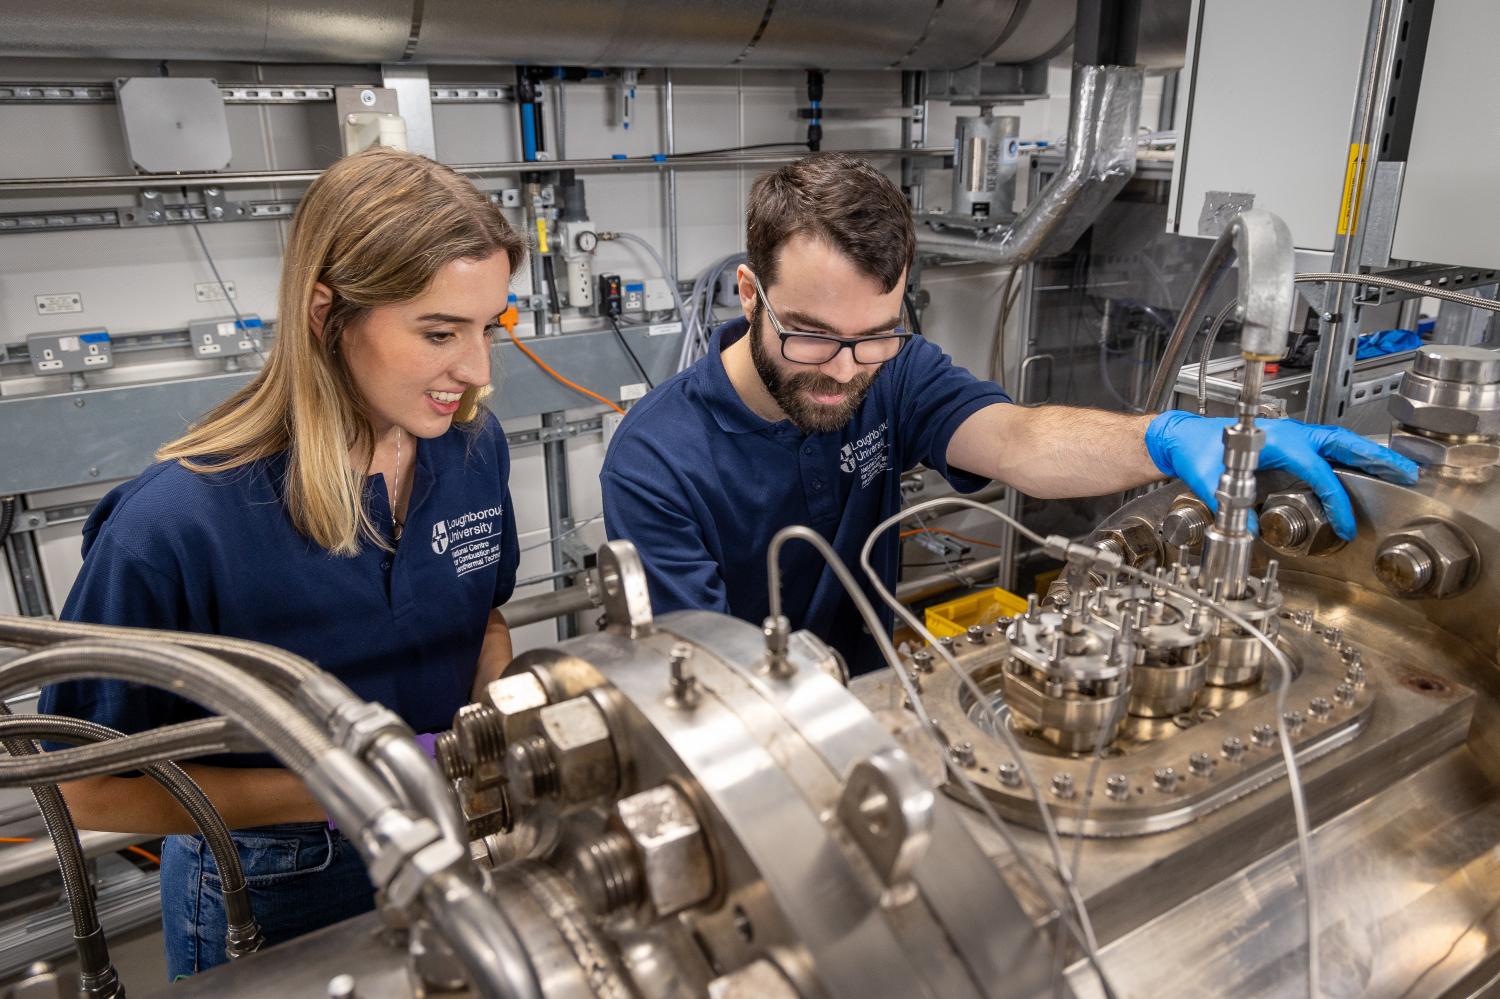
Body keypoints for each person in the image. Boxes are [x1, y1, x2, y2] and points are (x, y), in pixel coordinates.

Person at [600, 151, 1418, 673]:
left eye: (874, 336)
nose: (846, 371)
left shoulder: (895, 375)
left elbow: (1021, 442)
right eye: (812, 336)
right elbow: (701, 674)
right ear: (750, 294)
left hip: (884, 692)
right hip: (758, 739)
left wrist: (1166, 438)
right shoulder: (657, 459)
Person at [36, 147, 526, 977]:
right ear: (324, 312)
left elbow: (484, 616)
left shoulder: (472, 450)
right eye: (439, 332)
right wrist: (354, 786)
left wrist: (493, 730)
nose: (475, 370)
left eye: (489, 327)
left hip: (446, 846)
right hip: (277, 882)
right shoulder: (177, 524)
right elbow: (89, 786)